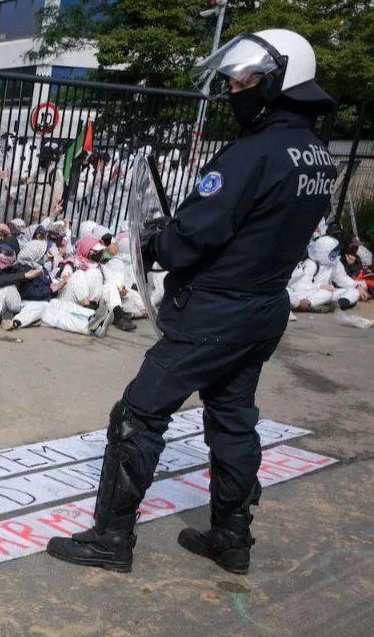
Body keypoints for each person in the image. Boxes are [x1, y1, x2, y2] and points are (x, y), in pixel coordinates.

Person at [46, 29, 338, 575]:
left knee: (137, 413)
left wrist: (158, 240)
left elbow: (191, 239)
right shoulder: (315, 155)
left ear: (279, 82)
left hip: (214, 311)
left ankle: (111, 537)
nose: (234, 88)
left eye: (246, 79)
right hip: (263, 306)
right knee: (231, 419)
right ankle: (231, 537)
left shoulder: (251, 153)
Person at [287, 235, 367, 311]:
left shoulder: (334, 263)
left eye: (336, 251)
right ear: (324, 251)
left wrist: (357, 286)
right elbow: (300, 287)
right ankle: (306, 304)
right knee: (327, 294)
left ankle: (340, 303)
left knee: (354, 291)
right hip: (306, 293)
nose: (336, 254)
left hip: (324, 293)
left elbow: (342, 278)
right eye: (333, 251)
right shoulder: (311, 264)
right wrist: (321, 287)